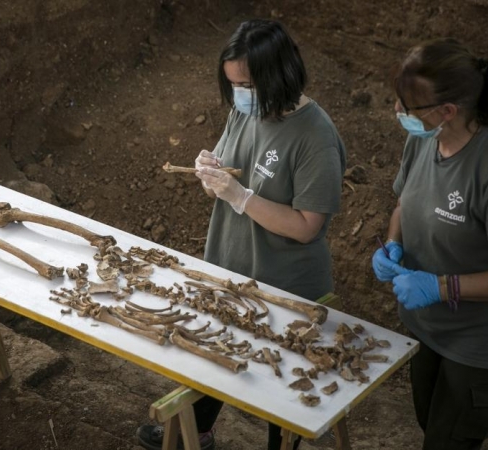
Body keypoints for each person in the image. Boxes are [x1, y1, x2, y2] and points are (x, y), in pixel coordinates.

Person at [137, 19, 346, 450]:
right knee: (215, 350)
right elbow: (232, 166)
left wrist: (240, 197)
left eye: (246, 84)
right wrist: (211, 170)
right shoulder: (244, 108)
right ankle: (198, 429)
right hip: (231, 266)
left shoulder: (315, 136)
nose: (238, 96)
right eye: (232, 85)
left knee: (279, 391)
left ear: (278, 76)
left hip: (284, 285)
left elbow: (309, 226)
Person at [372, 38, 488, 450]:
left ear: (446, 111)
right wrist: (391, 243)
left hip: (477, 346)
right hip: (428, 328)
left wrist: (440, 287)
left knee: (450, 440)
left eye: (406, 106)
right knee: (430, 426)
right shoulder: (422, 139)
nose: (397, 112)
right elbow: (404, 201)